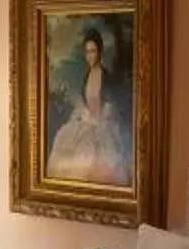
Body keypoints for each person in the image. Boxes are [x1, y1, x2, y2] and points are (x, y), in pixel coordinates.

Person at [45, 26, 130, 186]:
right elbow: (84, 103)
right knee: (65, 146)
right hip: (86, 123)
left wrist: (96, 119)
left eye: (93, 51)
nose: (90, 56)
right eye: (87, 52)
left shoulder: (106, 77)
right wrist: (84, 116)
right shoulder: (87, 76)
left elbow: (109, 108)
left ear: (100, 52)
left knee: (95, 158)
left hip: (102, 126)